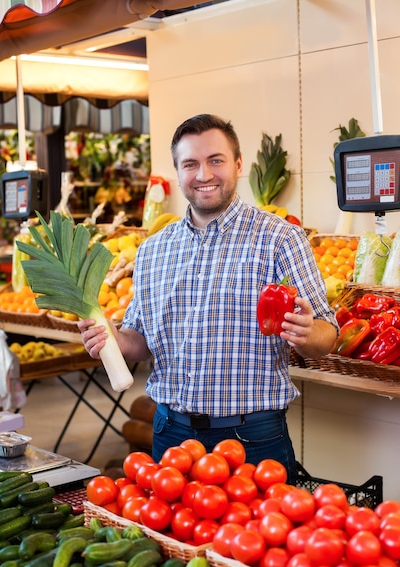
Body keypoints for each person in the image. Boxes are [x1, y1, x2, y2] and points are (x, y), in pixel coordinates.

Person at [78, 113, 338, 484]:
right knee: (172, 542)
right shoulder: (153, 251)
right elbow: (139, 342)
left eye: (215, 160)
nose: (203, 175)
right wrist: (112, 340)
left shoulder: (280, 239)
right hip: (170, 434)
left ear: (237, 164)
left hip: (253, 439)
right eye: (191, 164)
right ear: (178, 171)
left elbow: (327, 338)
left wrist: (307, 333)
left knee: (256, 542)